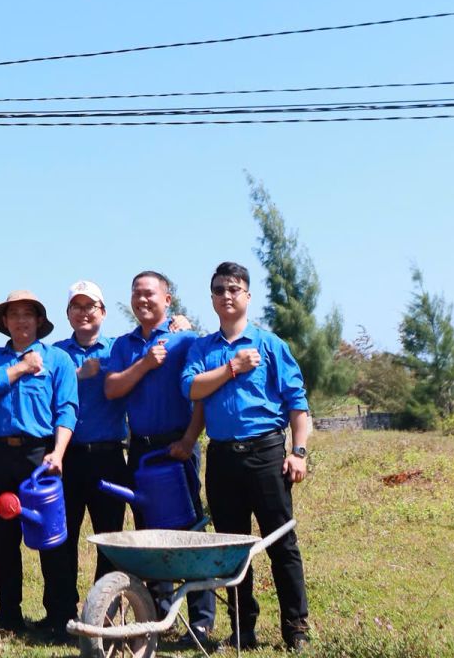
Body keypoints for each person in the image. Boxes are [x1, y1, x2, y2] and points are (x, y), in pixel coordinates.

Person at [182, 261, 313, 650]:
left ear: (248, 296)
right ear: (212, 298)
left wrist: (299, 452)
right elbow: (191, 388)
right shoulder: (202, 349)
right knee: (232, 550)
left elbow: (297, 406)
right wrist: (232, 368)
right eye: (220, 289)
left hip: (267, 454)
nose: (227, 295)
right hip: (222, 460)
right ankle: (244, 630)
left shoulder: (270, 345)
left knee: (281, 544)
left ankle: (296, 629)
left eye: (234, 288)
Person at [105, 269, 214, 641]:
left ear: (168, 300)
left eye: (150, 294)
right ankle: (160, 611)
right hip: (141, 447)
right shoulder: (124, 345)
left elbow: (200, 394)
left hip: (177, 444)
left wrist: (188, 440)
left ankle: (201, 618)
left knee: (189, 529)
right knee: (148, 529)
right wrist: (146, 363)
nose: (142, 300)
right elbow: (112, 389)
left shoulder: (187, 341)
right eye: (136, 294)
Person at [0, 289, 79, 636]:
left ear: (39, 321)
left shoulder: (58, 360)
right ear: (4, 322)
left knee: (51, 536)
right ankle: (9, 614)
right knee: (3, 537)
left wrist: (58, 453)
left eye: (27, 314)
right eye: (14, 314)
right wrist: (19, 368)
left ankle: (60, 614)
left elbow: (67, 409)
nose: (20, 320)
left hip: (40, 455)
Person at [53, 279, 128, 622]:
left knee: (110, 538)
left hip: (109, 456)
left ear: (103, 312)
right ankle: (60, 611)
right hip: (67, 458)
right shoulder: (56, 353)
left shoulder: (118, 350)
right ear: (68, 313)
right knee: (62, 538)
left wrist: (179, 323)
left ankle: (105, 611)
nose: (83, 313)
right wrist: (80, 374)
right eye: (77, 307)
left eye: (90, 306)